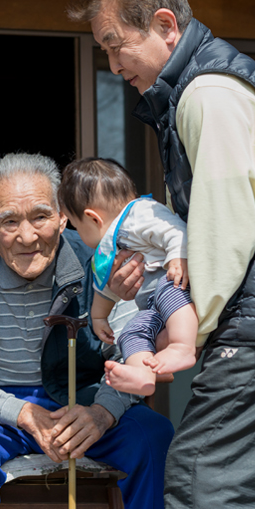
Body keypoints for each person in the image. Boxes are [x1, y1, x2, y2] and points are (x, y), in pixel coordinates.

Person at [69, 0, 255, 506]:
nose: (111, 65)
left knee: (200, 485)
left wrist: (189, 331)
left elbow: (224, 221)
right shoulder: (192, 90)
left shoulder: (207, 92)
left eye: (115, 46)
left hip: (245, 324)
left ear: (165, 26)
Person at [0, 152, 174, 509]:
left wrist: (102, 414)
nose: (27, 237)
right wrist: (21, 413)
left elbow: (132, 352)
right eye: (9, 221)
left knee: (152, 436)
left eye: (40, 216)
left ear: (62, 217)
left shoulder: (103, 260)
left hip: (83, 399)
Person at [58, 157, 197, 396]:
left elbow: (175, 230)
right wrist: (99, 316)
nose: (77, 233)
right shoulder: (108, 246)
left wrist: (177, 257)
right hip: (153, 307)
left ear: (93, 218)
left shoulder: (139, 215)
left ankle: (182, 347)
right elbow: (106, 286)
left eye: (76, 226)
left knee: (168, 291)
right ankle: (142, 375)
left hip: (175, 284)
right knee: (131, 332)